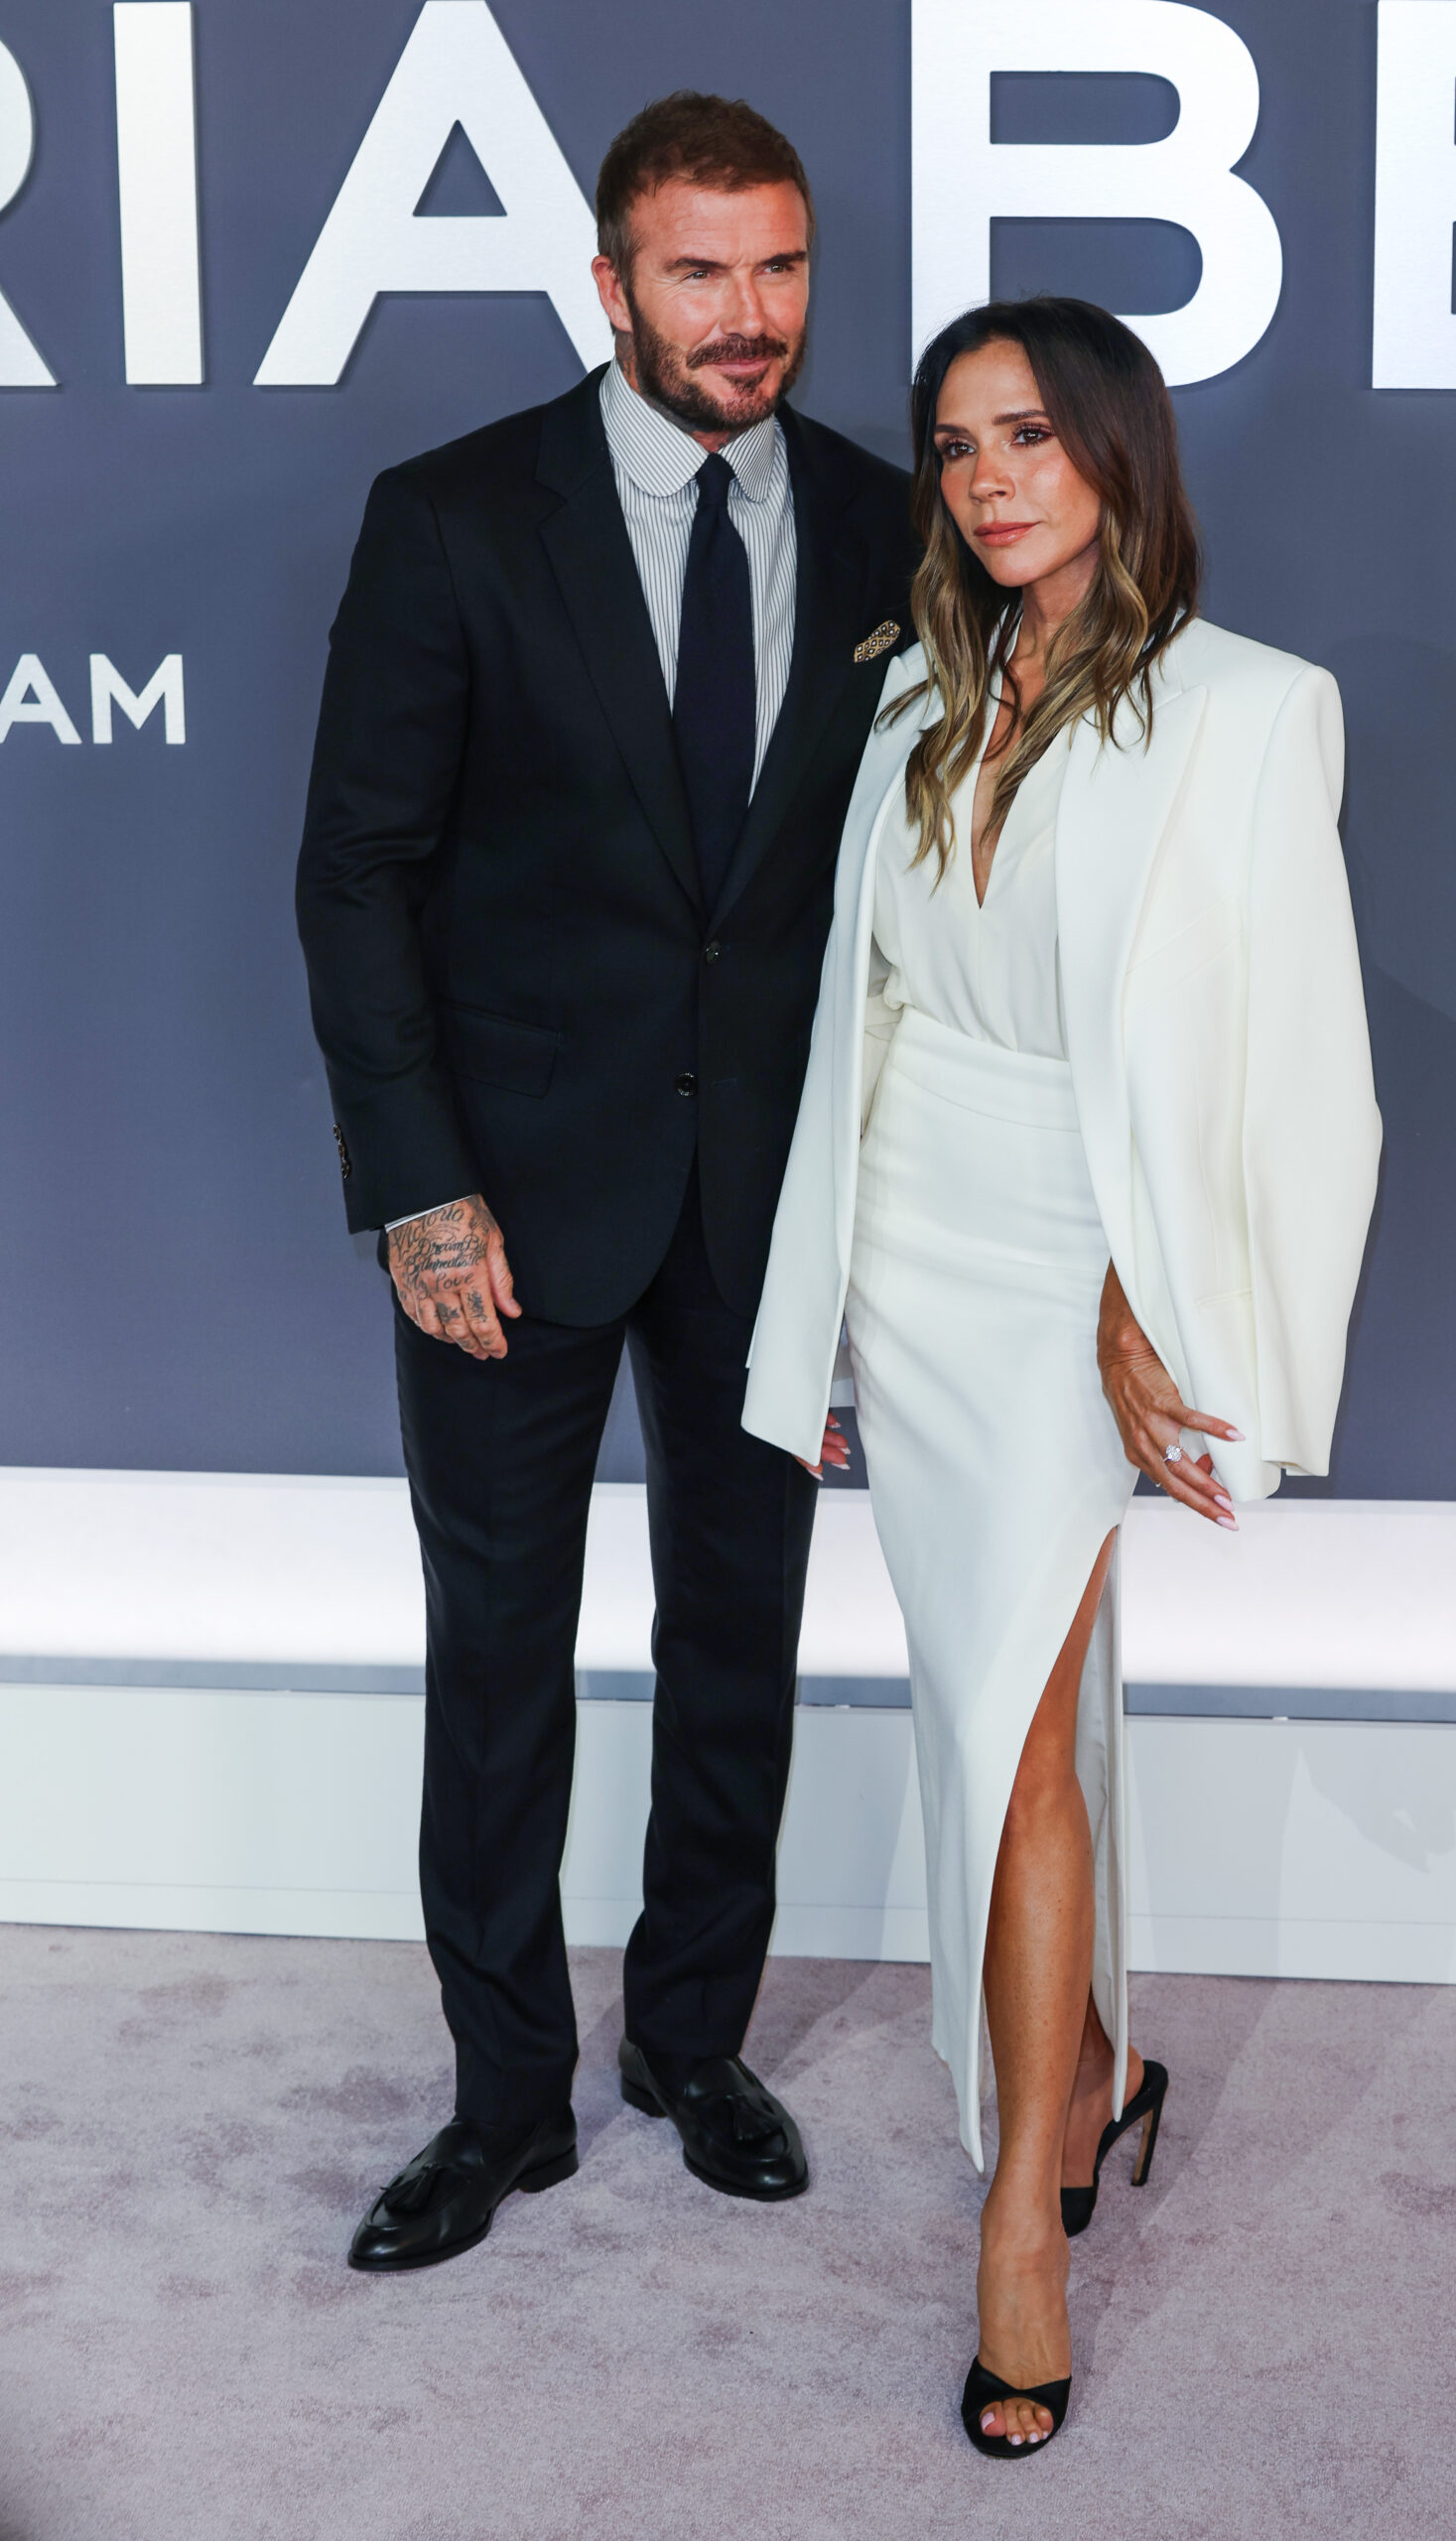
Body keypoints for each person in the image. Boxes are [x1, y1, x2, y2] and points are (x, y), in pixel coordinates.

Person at [743, 298, 1381, 2454]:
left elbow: (1288, 1063)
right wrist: (825, 1296)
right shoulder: (915, 686)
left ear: (1116, 449)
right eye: (953, 446)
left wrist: (1152, 1295)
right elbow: (867, 1011)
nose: (987, 479)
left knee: (1011, 1725)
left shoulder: (1249, 710)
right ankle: (1087, 2072)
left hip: (1073, 1256)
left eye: (1027, 434)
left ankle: (1022, 2212)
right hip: (908, 1236)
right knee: (998, 1701)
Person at [296, 92, 912, 2272]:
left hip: (769, 1200)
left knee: (740, 1628)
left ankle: (692, 2040)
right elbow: (358, 874)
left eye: (782, 267)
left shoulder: (887, 523)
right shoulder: (456, 516)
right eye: (700, 271)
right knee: (498, 1652)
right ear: (612, 283)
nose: (750, 316)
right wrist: (418, 1189)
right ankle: (500, 2098)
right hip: (509, 1200)